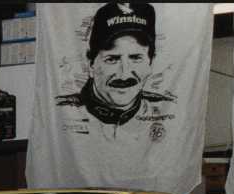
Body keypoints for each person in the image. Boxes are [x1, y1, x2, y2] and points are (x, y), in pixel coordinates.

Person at [55, 2, 174, 137]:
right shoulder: (58, 112)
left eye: (136, 58)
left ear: (151, 63)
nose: (124, 74)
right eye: (112, 59)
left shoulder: (170, 108)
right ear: (91, 65)